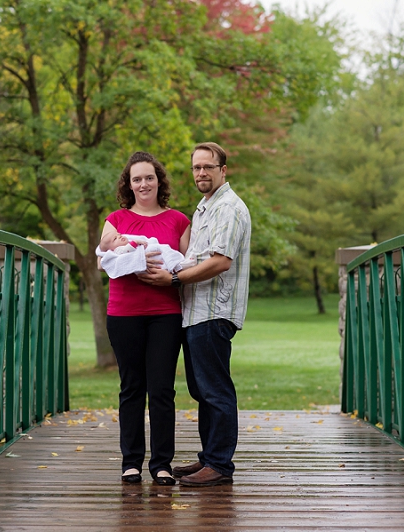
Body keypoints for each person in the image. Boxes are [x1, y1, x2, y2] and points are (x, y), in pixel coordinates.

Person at [138, 141, 251, 487]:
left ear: (223, 170)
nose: (201, 173)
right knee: (203, 390)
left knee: (215, 390)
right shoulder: (206, 207)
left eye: (208, 167)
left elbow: (220, 262)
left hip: (214, 311)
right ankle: (209, 458)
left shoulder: (229, 208)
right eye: (196, 168)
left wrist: (172, 278)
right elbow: (195, 255)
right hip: (196, 312)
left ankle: (219, 465)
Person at [100, 151, 191, 486]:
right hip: (124, 314)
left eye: (149, 177)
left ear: (159, 181)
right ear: (129, 184)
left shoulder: (179, 220)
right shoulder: (116, 219)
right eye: (136, 178)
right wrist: (127, 252)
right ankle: (131, 462)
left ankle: (162, 464)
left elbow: (188, 265)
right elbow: (103, 259)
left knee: (162, 390)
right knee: (132, 387)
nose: (143, 184)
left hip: (165, 315)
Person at [96, 232, 193, 279]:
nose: (119, 236)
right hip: (126, 304)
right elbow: (103, 264)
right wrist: (138, 254)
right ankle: (177, 265)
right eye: (115, 239)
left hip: (167, 305)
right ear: (111, 249)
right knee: (163, 250)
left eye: (118, 235)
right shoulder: (118, 251)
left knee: (164, 253)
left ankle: (179, 264)